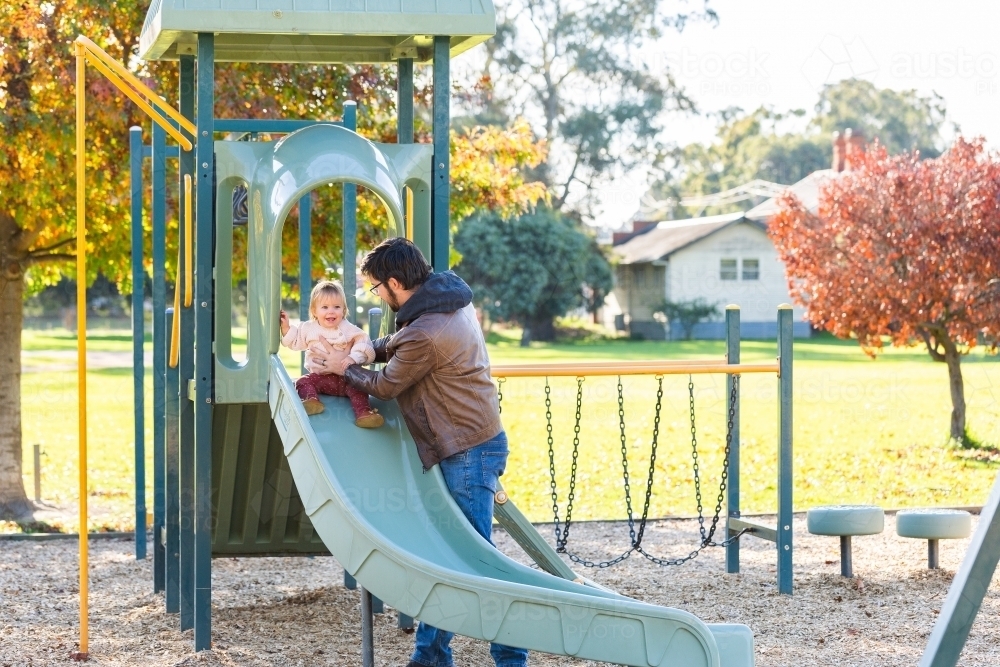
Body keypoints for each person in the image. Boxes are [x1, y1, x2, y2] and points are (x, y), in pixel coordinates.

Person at [315, 237, 528, 667]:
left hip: (467, 451)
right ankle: (430, 656)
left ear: (395, 282)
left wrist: (346, 367)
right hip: (474, 442)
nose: (377, 295)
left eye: (376, 288)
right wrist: (364, 348)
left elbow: (387, 386)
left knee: (470, 561)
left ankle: (509, 656)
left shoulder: (428, 331)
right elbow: (399, 342)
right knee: (451, 556)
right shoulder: (443, 299)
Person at [279, 280, 384, 428]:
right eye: (325, 307)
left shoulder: (348, 329)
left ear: (343, 310)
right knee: (302, 382)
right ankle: (312, 401)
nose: (331, 311)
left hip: (346, 378)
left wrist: (352, 357)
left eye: (337, 307)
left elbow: (364, 344)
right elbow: (295, 341)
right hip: (321, 378)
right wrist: (286, 328)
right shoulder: (308, 328)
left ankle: (364, 414)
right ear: (314, 311)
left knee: (360, 389)